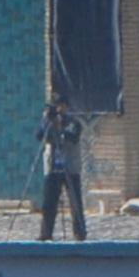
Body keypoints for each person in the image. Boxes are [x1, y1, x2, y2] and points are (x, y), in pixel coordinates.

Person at [37, 95, 87, 242]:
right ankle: (46, 233)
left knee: (75, 202)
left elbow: (73, 137)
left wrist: (60, 127)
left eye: (60, 106)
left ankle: (80, 232)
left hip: (70, 168)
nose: (58, 110)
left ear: (65, 107)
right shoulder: (48, 122)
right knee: (49, 203)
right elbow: (40, 136)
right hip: (53, 168)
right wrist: (47, 121)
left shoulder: (73, 122)